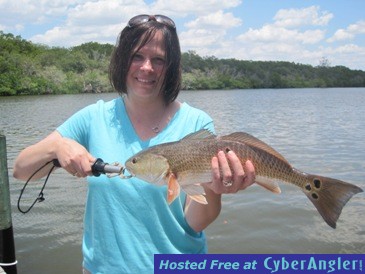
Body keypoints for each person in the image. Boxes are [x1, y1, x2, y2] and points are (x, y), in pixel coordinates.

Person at [13, 14, 255, 273]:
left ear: (171, 66)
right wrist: (57, 148)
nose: (146, 67)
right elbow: (21, 170)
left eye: (159, 59)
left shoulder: (197, 123)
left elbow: (193, 223)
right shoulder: (93, 117)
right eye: (137, 56)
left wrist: (214, 188)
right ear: (122, 60)